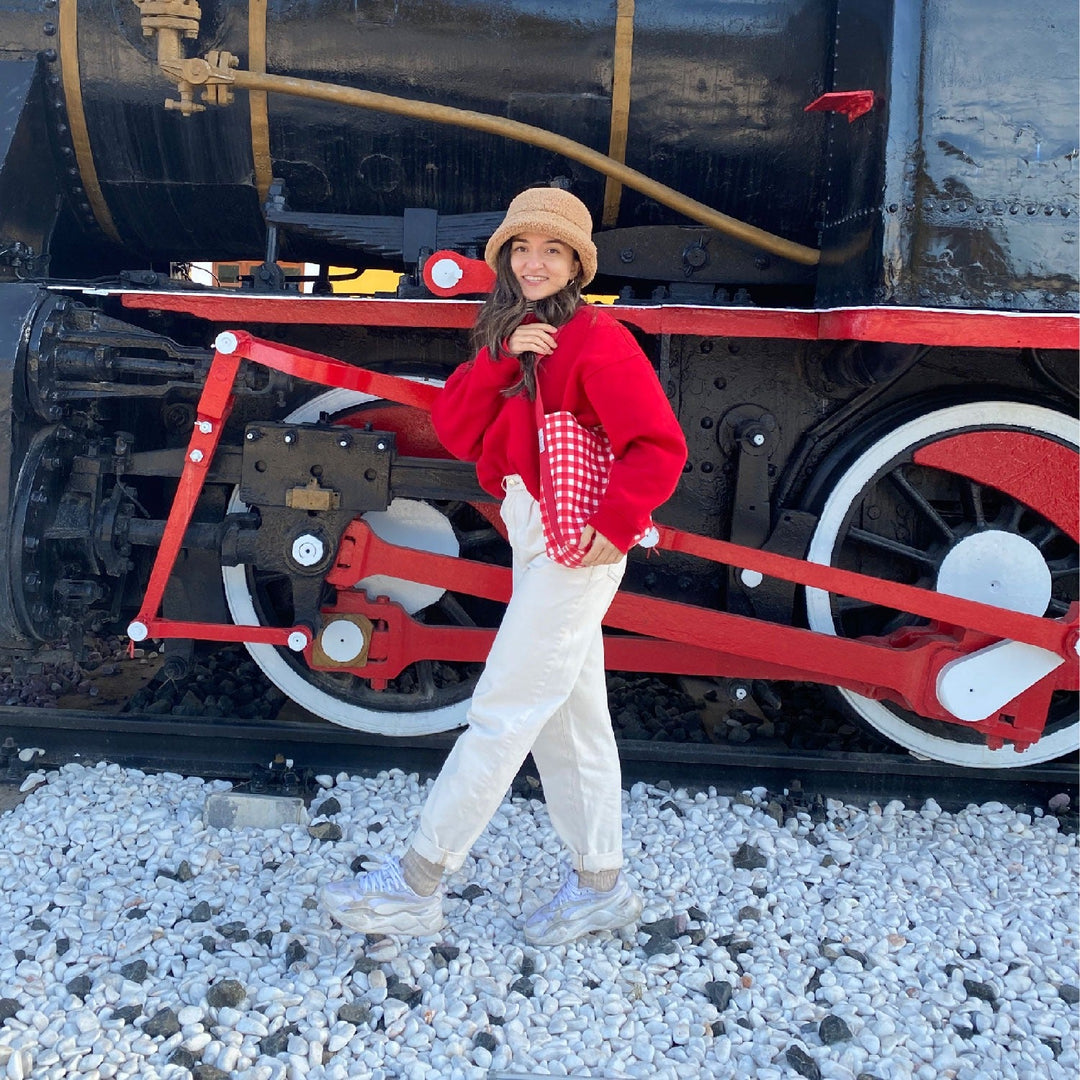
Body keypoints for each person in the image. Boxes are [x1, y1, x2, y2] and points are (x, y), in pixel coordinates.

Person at [321, 186, 688, 945]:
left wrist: (616, 525)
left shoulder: (600, 340)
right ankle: (601, 886)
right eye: (522, 248)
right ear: (504, 258)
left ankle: (416, 885)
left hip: (579, 537)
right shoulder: (509, 331)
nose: (534, 262)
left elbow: (658, 446)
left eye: (552, 250)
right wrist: (499, 357)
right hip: (531, 524)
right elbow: (456, 429)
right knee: (569, 716)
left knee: (503, 709)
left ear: (577, 263)